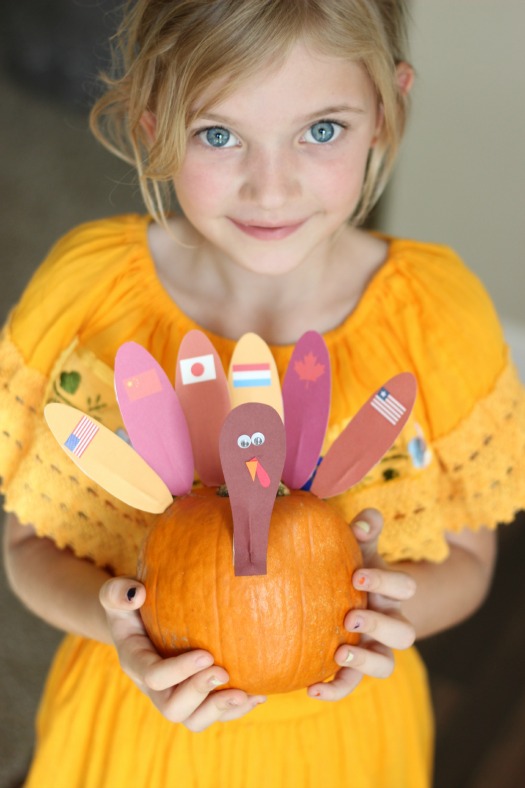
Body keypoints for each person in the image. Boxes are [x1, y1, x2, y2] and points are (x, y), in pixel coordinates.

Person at [1, 1, 523, 786]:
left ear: (385, 112)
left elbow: (470, 558)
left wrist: (384, 615)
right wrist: (121, 628)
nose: (270, 188)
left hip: (343, 743)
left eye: (321, 130)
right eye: (219, 134)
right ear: (153, 123)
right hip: (134, 734)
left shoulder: (435, 313)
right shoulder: (87, 296)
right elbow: (24, 546)